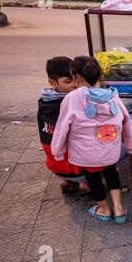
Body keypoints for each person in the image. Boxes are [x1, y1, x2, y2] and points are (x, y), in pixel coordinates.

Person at [51, 56, 132, 223]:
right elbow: (126, 120)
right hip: (109, 150)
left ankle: (104, 210)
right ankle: (119, 209)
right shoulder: (113, 96)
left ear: (75, 78)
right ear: (101, 76)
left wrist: (58, 151)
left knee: (93, 177)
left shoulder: (72, 98)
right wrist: (131, 145)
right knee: (110, 171)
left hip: (86, 154)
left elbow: (61, 127)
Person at [37, 56, 90, 197]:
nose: (74, 84)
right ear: (52, 83)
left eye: (75, 79)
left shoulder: (44, 101)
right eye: (68, 81)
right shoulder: (69, 103)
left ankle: (67, 182)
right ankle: (85, 184)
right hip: (73, 167)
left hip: (55, 166)